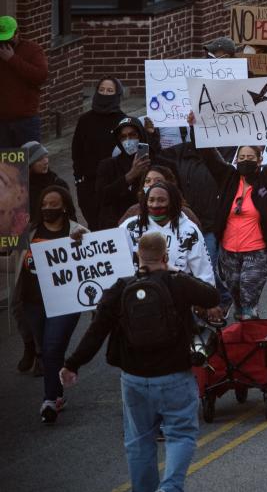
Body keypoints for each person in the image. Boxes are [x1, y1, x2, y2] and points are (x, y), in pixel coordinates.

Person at [61, 232, 220, 492]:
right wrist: (174, 271)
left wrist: (72, 364)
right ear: (165, 256)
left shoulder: (121, 288)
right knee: (180, 434)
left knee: (139, 441)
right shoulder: (177, 282)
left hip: (133, 379)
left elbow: (96, 331)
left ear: (137, 256)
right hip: (174, 376)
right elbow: (212, 296)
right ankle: (169, 488)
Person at [205, 119, 267, 320]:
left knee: (248, 297)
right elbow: (209, 157)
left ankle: (250, 333)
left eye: (250, 157)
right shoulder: (228, 178)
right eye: (242, 156)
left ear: (259, 160)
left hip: (257, 250)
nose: (245, 160)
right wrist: (196, 128)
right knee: (236, 296)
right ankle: (243, 336)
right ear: (236, 160)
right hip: (229, 251)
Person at [14, 185, 88, 423]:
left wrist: (81, 241)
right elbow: (13, 267)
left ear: (65, 207)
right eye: (44, 205)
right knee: (46, 350)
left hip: (65, 302)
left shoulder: (77, 231)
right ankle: (57, 395)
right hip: (33, 303)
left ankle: (49, 400)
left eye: (53, 205)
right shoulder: (28, 233)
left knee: (52, 346)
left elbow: (92, 260)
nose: (47, 209)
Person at [120, 181, 215, 292]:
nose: (155, 205)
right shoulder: (129, 227)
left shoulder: (189, 230)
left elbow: (203, 270)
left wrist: (209, 299)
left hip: (176, 296)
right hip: (137, 295)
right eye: (151, 200)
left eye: (161, 200)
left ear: (172, 202)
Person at [71, 76, 127, 228]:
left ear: (117, 94)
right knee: (94, 225)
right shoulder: (85, 120)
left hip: (114, 185)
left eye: (110, 91)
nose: (105, 93)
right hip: (89, 185)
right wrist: (79, 180)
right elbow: (77, 151)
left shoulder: (123, 121)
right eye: (101, 90)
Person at [94, 116, 158, 232]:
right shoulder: (108, 166)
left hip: (152, 226)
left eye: (133, 135)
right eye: (123, 137)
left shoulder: (156, 163)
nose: (128, 140)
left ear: (141, 135)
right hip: (118, 228)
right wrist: (130, 176)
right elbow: (101, 196)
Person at [0, 15, 49, 146]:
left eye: (8, 38)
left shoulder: (32, 50)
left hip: (25, 120)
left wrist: (12, 59)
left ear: (17, 34)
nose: (4, 43)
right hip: (2, 121)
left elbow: (40, 76)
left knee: (30, 161)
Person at [23, 140, 68, 207]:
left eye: (46, 156)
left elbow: (70, 212)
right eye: (39, 159)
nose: (46, 161)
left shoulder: (58, 183)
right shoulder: (21, 191)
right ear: (29, 165)